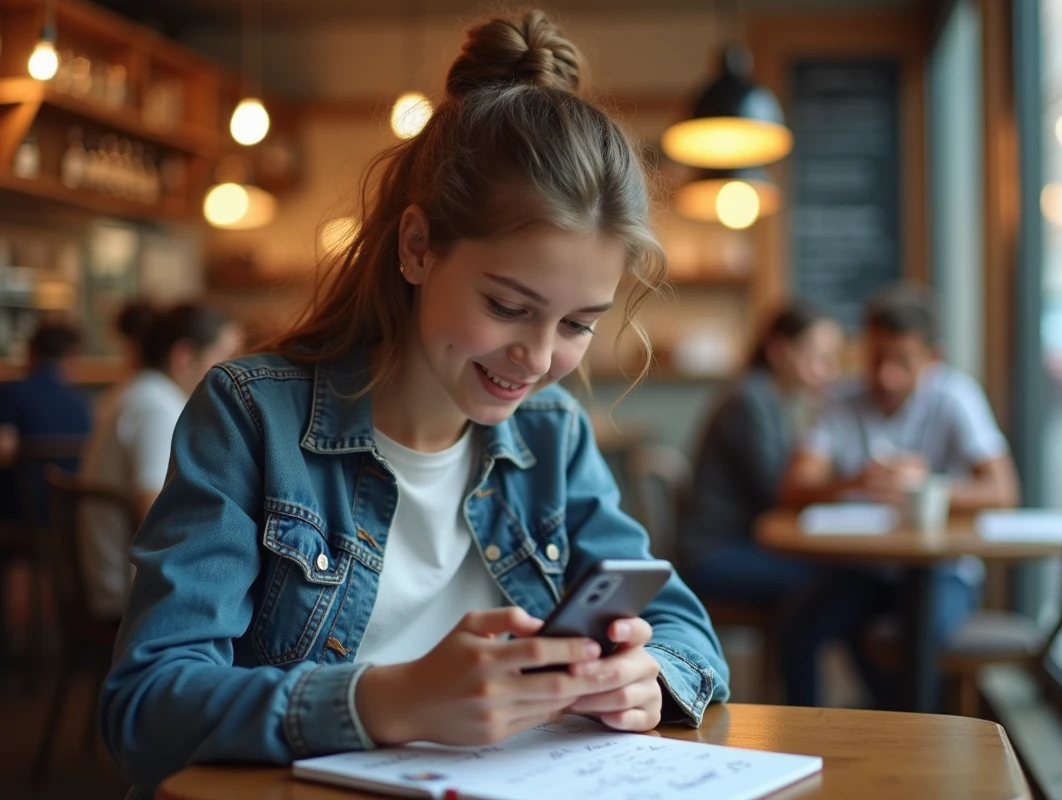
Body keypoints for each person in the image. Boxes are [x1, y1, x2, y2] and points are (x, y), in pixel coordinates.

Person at [99, 11, 730, 797]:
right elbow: (146, 708)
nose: (537, 360)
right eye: (506, 306)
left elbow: (687, 632)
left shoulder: (552, 432)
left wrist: (648, 677)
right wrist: (389, 699)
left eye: (576, 325)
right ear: (417, 246)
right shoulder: (253, 415)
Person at [779, 282, 1020, 708]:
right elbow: (795, 488)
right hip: (865, 568)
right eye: (877, 359)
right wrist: (855, 481)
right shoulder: (840, 400)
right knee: (797, 627)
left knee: (921, 641)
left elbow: (1003, 491)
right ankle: (804, 747)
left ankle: (920, 749)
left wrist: (925, 488)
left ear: (934, 359)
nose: (887, 376)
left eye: (903, 362)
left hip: (941, 568)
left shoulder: (955, 396)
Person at [80, 302, 242, 621]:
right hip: (131, 592)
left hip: (112, 577)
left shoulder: (138, 392)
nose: (235, 374)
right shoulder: (157, 408)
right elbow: (160, 519)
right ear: (184, 358)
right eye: (224, 359)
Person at [682, 302, 843, 602]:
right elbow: (777, 494)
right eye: (818, 357)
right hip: (718, 553)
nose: (830, 369)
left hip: (743, 544)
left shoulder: (773, 399)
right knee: (835, 584)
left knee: (842, 578)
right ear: (779, 351)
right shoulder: (750, 400)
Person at [0, 320, 91, 522]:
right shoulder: (82, 404)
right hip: (70, 517)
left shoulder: (10, 393)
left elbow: (4, 449)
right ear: (72, 355)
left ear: (31, 352)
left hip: (17, 514)